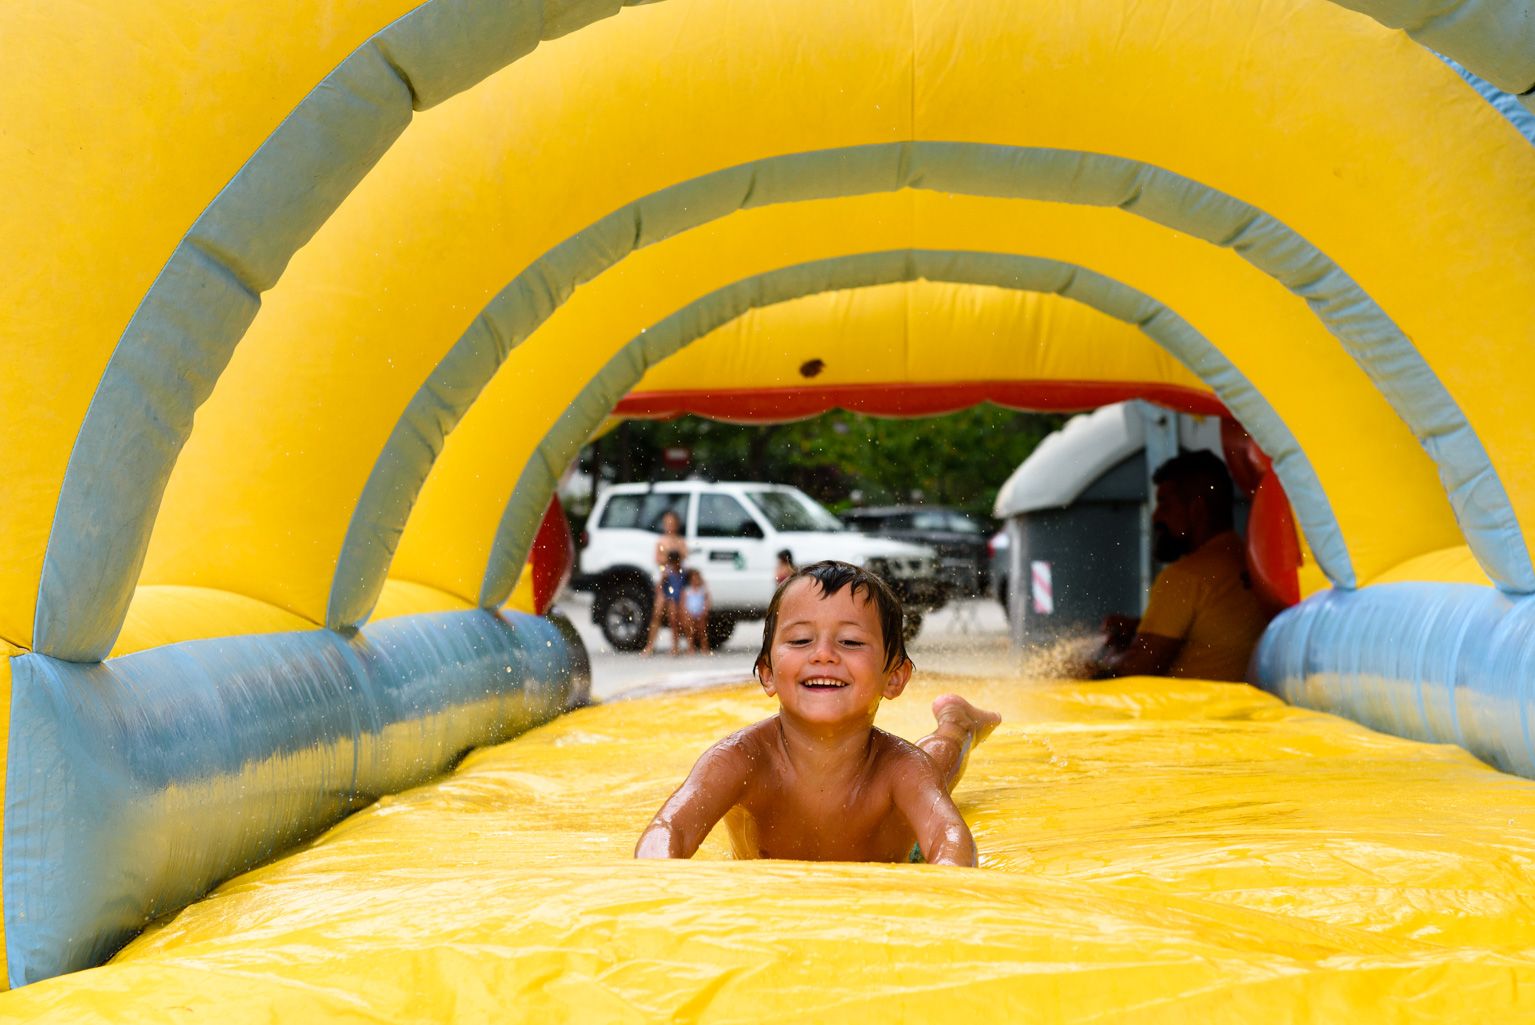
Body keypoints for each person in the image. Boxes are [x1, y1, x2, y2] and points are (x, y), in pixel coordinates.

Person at [635, 560, 1001, 866]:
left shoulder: (903, 769)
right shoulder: (739, 759)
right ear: (767, 673)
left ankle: (958, 725)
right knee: (925, 767)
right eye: (800, 640)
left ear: (894, 678)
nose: (823, 654)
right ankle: (956, 721)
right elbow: (670, 829)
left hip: (906, 850)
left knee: (934, 763)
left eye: (851, 642)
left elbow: (950, 838)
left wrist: (948, 879)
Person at [1080, 450, 1270, 681]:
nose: (1155, 516)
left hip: (1195, 715)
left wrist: (1079, 672)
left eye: (1165, 505)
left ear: (1197, 509)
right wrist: (1139, 629)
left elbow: (1134, 674)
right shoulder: (1250, 563)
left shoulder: (1186, 576)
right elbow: (1211, 634)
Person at [641, 510, 689, 655]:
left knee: (674, 616)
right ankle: (649, 645)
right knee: (657, 613)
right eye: (667, 523)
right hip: (665, 579)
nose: (670, 526)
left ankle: (675, 646)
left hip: (676, 579)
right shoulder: (661, 541)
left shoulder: (680, 541)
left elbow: (683, 558)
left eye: (672, 523)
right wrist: (669, 559)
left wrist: (673, 558)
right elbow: (659, 560)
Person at [643, 549, 688, 656]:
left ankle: (675, 647)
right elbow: (660, 588)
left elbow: (683, 588)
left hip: (676, 598)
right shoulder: (667, 572)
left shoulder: (682, 572)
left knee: (674, 621)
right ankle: (650, 646)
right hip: (668, 598)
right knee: (659, 618)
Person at [681, 568, 712, 654]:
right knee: (690, 631)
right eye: (693, 579)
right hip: (690, 613)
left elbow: (707, 601)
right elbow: (683, 603)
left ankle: (704, 646)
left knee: (702, 630)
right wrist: (686, 613)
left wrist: (705, 610)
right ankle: (690, 647)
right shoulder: (687, 591)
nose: (695, 581)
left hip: (700, 613)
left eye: (697, 579)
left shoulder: (702, 590)